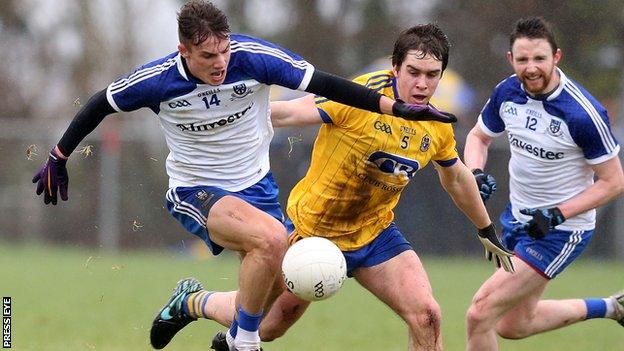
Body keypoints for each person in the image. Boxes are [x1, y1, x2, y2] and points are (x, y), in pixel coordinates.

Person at [30, 2, 459, 351]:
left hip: (259, 189)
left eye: (224, 51)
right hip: (196, 190)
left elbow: (329, 85)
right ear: (184, 52)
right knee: (270, 243)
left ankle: (193, 303)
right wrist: (59, 153)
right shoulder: (157, 81)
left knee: (263, 311)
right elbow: (100, 102)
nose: (220, 63)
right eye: (207, 57)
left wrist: (396, 108)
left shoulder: (255, 58)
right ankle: (243, 345)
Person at [170, 23, 514, 351]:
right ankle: (192, 301)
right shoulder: (362, 96)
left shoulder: (435, 125)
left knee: (427, 316)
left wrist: (485, 228)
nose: (422, 84)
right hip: (311, 233)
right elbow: (289, 113)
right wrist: (217, 116)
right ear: (396, 68)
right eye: (414, 72)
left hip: (374, 234)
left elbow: (455, 177)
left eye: (431, 75)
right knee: (265, 326)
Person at [463, 17, 624, 351]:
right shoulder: (506, 92)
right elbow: (478, 137)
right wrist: (475, 172)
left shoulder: (582, 114)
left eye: (539, 59)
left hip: (561, 231)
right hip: (517, 220)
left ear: (557, 57)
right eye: (522, 60)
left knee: (479, 314)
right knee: (514, 325)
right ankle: (612, 307)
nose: (531, 68)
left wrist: (558, 214)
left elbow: (613, 182)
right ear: (511, 59)